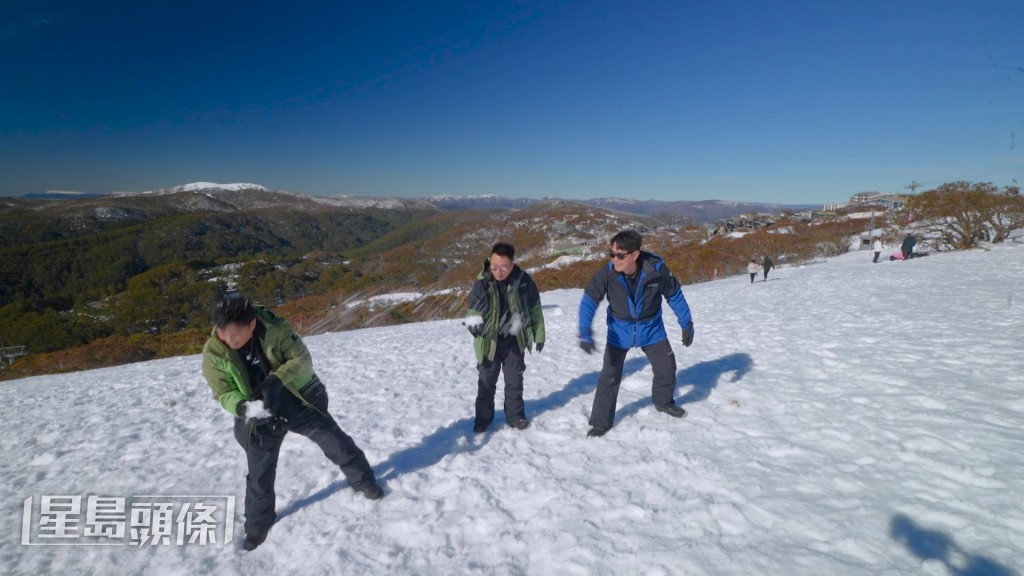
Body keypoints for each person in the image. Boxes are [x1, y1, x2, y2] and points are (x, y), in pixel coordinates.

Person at [201, 292, 384, 552]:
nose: (228, 341)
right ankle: (257, 526)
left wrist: (275, 380)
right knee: (259, 474)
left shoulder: (275, 329)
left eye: (235, 336)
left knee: (336, 442)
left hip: (293, 399)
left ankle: (364, 481)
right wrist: (242, 406)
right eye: (222, 334)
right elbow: (222, 391)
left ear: (251, 324)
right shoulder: (214, 353)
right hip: (257, 413)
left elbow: (301, 359)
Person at [578, 230, 694, 437]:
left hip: (651, 330)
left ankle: (663, 402)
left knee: (666, 368)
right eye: (611, 254)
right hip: (619, 331)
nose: (615, 259)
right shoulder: (607, 273)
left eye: (620, 255)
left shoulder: (656, 270)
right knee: (609, 376)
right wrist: (585, 331)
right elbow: (589, 300)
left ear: (635, 254)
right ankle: (600, 423)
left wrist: (686, 323)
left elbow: (674, 295)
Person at [466, 242, 546, 434]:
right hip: (489, 342)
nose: (498, 271)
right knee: (486, 383)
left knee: (514, 381)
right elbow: (473, 308)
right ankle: (483, 419)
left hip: (514, 340)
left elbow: (535, 309)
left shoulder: (524, 281)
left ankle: (515, 415)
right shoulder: (483, 281)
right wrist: (474, 324)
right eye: (494, 266)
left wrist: (539, 334)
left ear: (512, 264)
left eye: (503, 267)